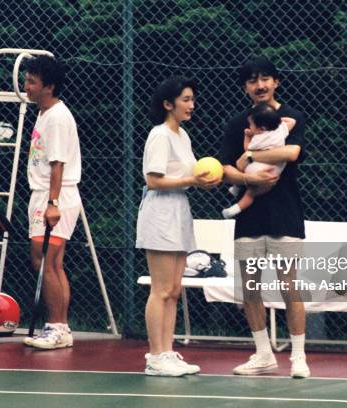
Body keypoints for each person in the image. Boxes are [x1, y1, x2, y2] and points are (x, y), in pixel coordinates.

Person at [219, 56, 310, 378]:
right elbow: (225, 170)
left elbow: (292, 153)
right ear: (245, 87)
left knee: (290, 287)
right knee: (251, 289)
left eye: (265, 79)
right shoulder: (236, 124)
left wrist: (250, 156)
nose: (259, 85)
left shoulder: (293, 117)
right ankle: (262, 354)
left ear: (276, 82)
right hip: (250, 220)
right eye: (252, 81)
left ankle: (298, 357)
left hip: (285, 215)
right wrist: (248, 179)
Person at [136, 76, 220, 376]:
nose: (191, 105)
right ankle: (154, 356)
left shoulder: (182, 136)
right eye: (186, 99)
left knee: (173, 289)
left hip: (180, 213)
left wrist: (206, 181)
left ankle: (167, 352)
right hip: (159, 214)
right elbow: (153, 179)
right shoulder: (159, 135)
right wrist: (192, 181)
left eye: (192, 100)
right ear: (168, 104)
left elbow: (193, 173)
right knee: (160, 290)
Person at [22, 56, 81, 350]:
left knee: (47, 260)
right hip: (45, 194)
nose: (26, 86)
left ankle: (58, 328)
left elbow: (58, 164)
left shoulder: (57, 117)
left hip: (55, 195)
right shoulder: (45, 113)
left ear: (49, 86)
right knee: (49, 261)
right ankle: (59, 327)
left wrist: (53, 203)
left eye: (32, 81)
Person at [222, 102, 295, 219]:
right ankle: (235, 199)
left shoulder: (259, 139)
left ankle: (235, 203)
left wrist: (247, 136)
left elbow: (248, 150)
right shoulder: (281, 130)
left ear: (261, 128)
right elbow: (292, 121)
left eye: (251, 125)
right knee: (251, 194)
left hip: (259, 173)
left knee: (249, 190)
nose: (249, 127)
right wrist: (276, 120)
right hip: (273, 172)